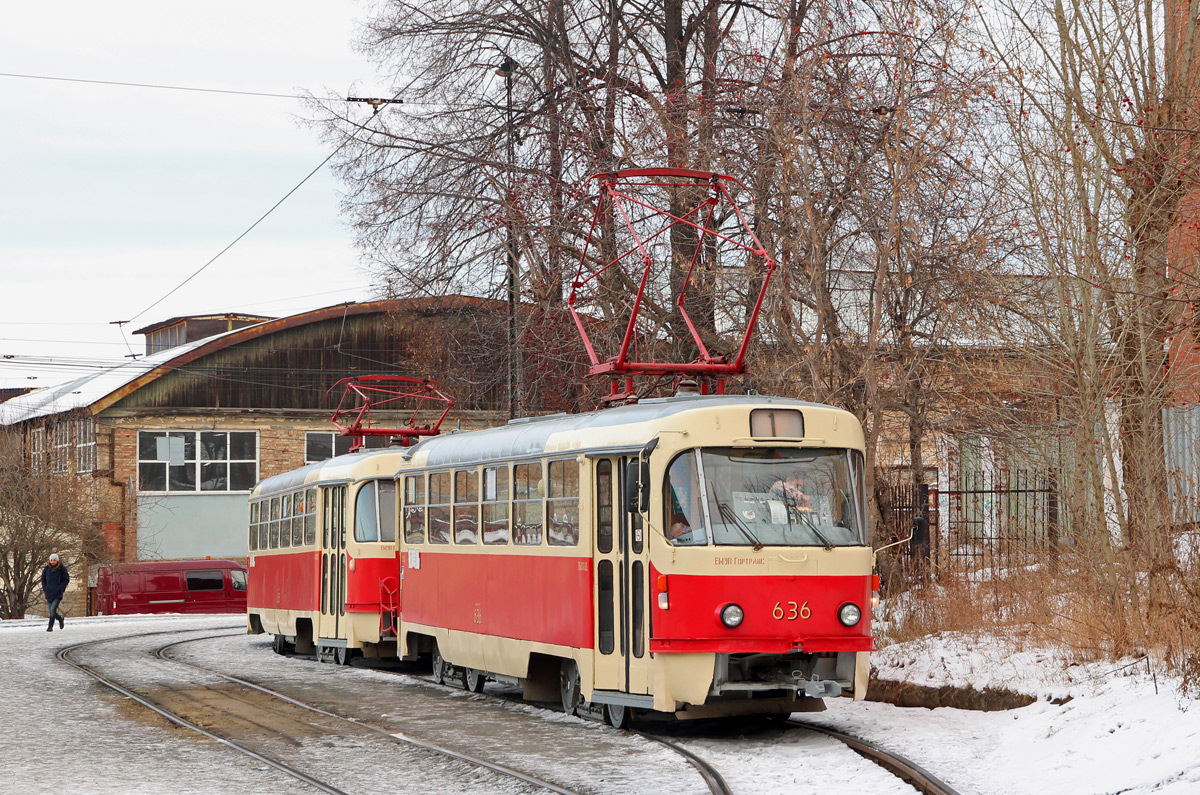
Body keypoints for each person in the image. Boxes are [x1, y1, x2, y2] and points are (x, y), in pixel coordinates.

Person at [41, 553, 69, 632]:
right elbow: (43, 579)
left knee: (53, 611)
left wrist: (60, 588)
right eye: (51, 560)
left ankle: (50, 627)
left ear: (57, 561)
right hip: (49, 592)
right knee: (51, 611)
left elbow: (66, 579)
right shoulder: (47, 568)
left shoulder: (61, 569)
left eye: (54, 560)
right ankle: (60, 618)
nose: (53, 562)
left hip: (57, 593)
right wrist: (45, 587)